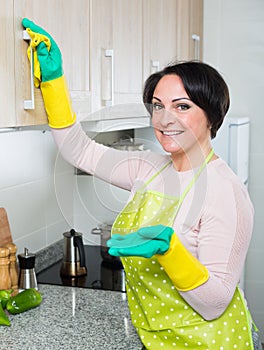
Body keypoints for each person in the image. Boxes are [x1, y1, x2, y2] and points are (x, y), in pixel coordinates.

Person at [22, 18, 261, 350]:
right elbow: (81, 150)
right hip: (154, 336)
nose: (164, 120)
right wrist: (53, 83)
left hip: (208, 341)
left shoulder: (225, 193)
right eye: (157, 106)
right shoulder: (148, 168)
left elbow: (215, 303)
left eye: (182, 107)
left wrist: (171, 251)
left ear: (212, 114)